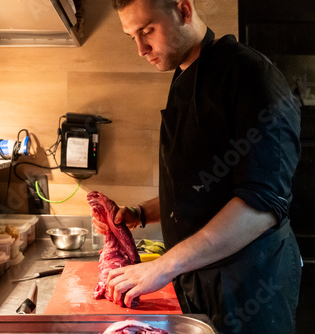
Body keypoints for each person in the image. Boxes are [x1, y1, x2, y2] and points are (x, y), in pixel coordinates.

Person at [93, 0, 303, 333]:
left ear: (184, 9)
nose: (140, 48)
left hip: (250, 283)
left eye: (147, 30)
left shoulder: (251, 76)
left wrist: (164, 266)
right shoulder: (183, 78)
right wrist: (140, 213)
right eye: (132, 35)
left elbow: (262, 206)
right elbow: (199, 190)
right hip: (199, 278)